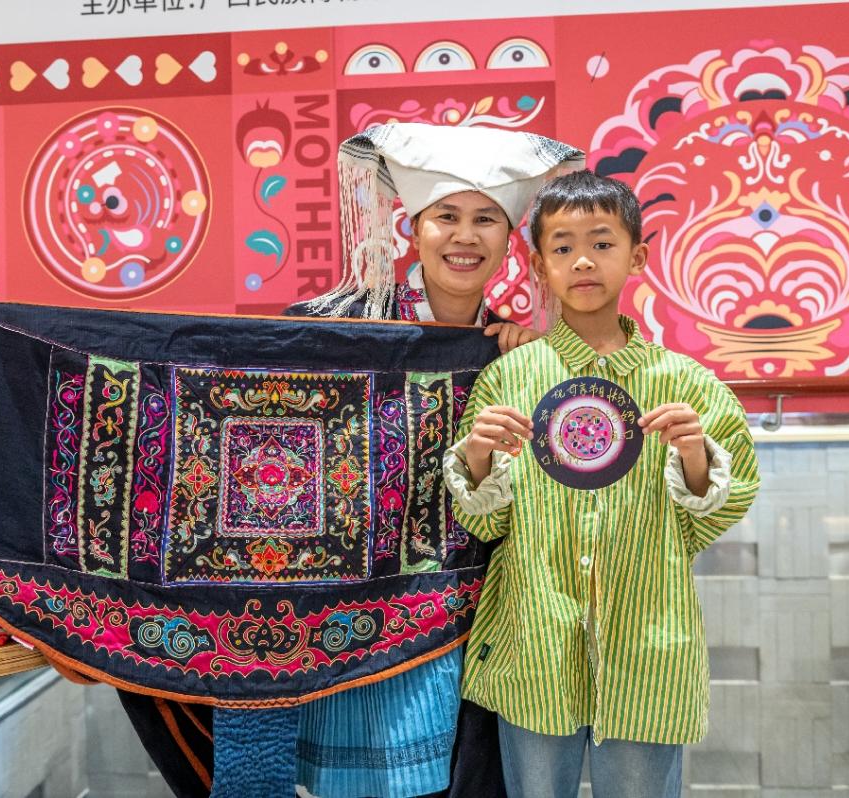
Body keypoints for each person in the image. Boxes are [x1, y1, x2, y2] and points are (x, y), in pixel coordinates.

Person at [284, 122, 586, 798]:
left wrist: (527, 368)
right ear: (413, 230)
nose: (465, 236)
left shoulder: (516, 348)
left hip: (464, 618)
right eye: (446, 216)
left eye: (485, 219)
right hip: (344, 609)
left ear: (509, 241)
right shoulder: (336, 327)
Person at [442, 170, 760, 798]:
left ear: (637, 254)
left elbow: (717, 511)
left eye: (602, 242)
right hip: (534, 641)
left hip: (646, 643)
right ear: (537, 264)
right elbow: (487, 523)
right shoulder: (509, 380)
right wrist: (476, 456)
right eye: (561, 247)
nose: (582, 260)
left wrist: (695, 455)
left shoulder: (688, 385)